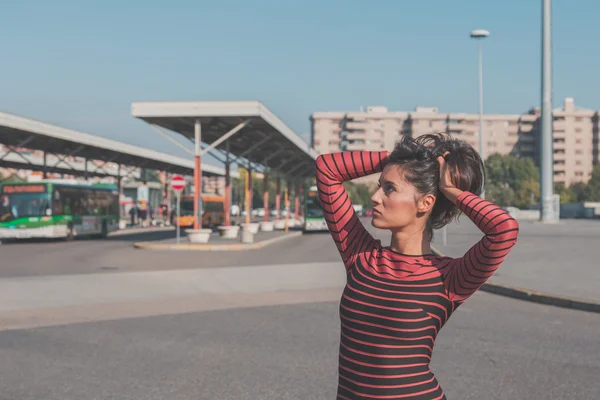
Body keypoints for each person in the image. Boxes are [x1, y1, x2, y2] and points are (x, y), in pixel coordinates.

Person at [315, 133, 519, 400]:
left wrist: (451, 190)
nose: (376, 197)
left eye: (389, 188)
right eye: (379, 186)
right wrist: (404, 159)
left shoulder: (450, 278)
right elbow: (326, 169)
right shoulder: (361, 256)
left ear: (425, 203)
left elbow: (504, 229)